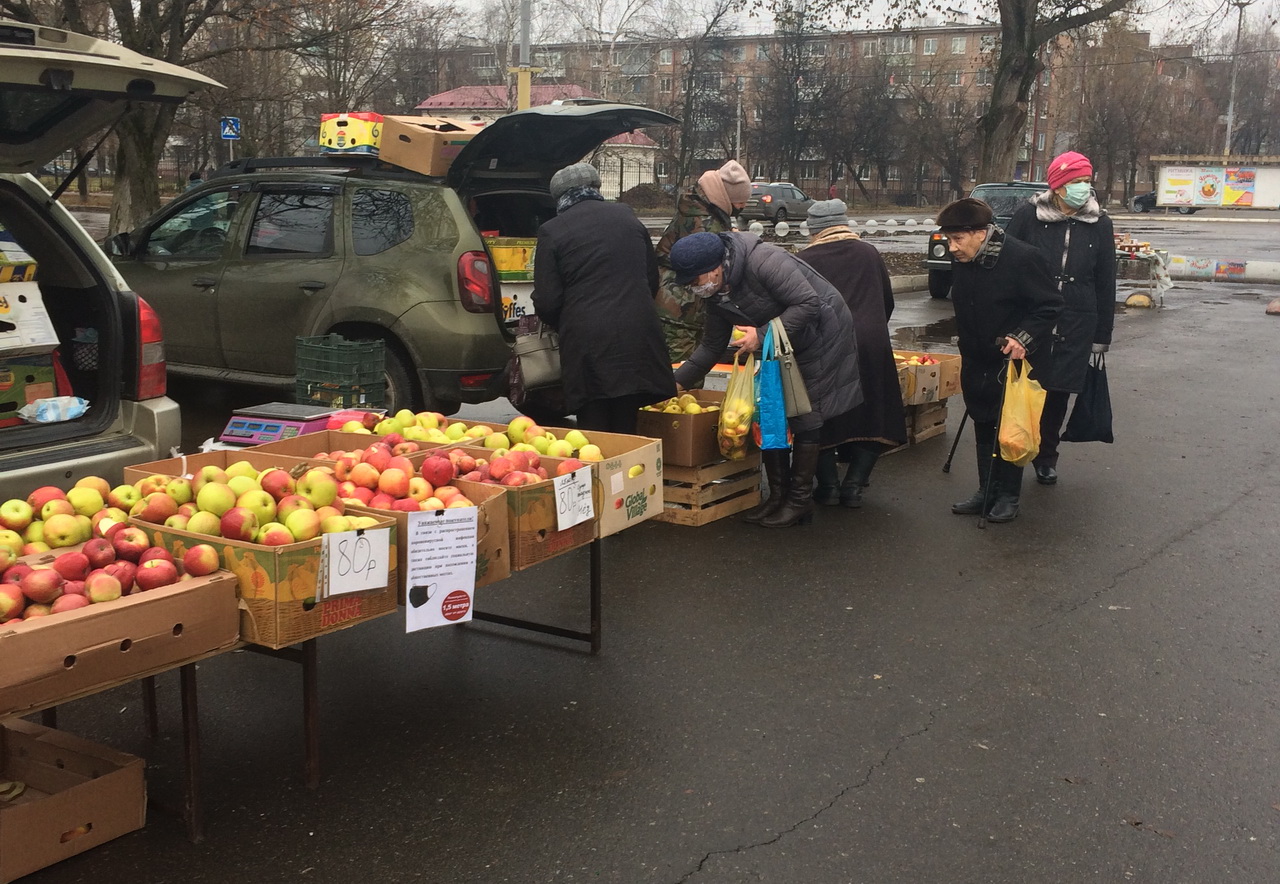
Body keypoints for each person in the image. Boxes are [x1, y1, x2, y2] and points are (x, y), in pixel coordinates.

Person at [669, 231, 862, 528]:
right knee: (771, 412)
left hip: (820, 334)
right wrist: (676, 383)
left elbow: (807, 303)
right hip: (778, 342)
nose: (696, 289)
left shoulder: (764, 261)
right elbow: (710, 346)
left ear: (716, 266)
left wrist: (760, 334)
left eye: (696, 281)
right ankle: (778, 496)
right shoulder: (717, 294)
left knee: (804, 413)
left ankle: (799, 502)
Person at [939, 198, 1063, 523]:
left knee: (1008, 429)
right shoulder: (963, 259)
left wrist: (1022, 337)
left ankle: (1008, 496)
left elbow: (1050, 304)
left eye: (957, 239)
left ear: (980, 233)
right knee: (982, 421)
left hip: (1014, 361)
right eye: (948, 240)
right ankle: (987, 491)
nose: (952, 248)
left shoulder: (1022, 258)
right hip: (976, 357)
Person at [532, 162, 675, 434]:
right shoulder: (627, 217)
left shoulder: (553, 230)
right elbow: (651, 278)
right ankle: (629, 475)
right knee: (627, 425)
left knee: (595, 430)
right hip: (638, 334)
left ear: (559, 197)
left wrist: (562, 322)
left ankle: (603, 477)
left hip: (588, 342)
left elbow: (548, 300)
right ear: (596, 188)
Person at [1004, 151, 1116, 487]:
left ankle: (1046, 456)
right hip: (1032, 316)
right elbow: (1009, 264)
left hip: (1077, 320)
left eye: (1086, 181)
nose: (1084, 188)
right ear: (1057, 185)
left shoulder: (1101, 222)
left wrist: (1102, 335)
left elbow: (1106, 280)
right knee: (1026, 386)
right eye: (1075, 182)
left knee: (1058, 392)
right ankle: (1015, 446)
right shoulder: (1029, 216)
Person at [799, 199, 908, 508]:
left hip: (826, 346)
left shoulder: (806, 258)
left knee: (821, 417)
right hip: (872, 343)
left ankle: (829, 487)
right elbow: (886, 301)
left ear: (814, 229)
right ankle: (854, 486)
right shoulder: (869, 253)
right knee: (874, 414)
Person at [654, 161, 752, 361]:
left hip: (679, 301)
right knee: (681, 372)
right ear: (727, 198)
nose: (743, 206)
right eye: (741, 201)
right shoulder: (705, 222)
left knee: (688, 368)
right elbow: (720, 266)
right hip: (680, 307)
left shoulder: (701, 208)